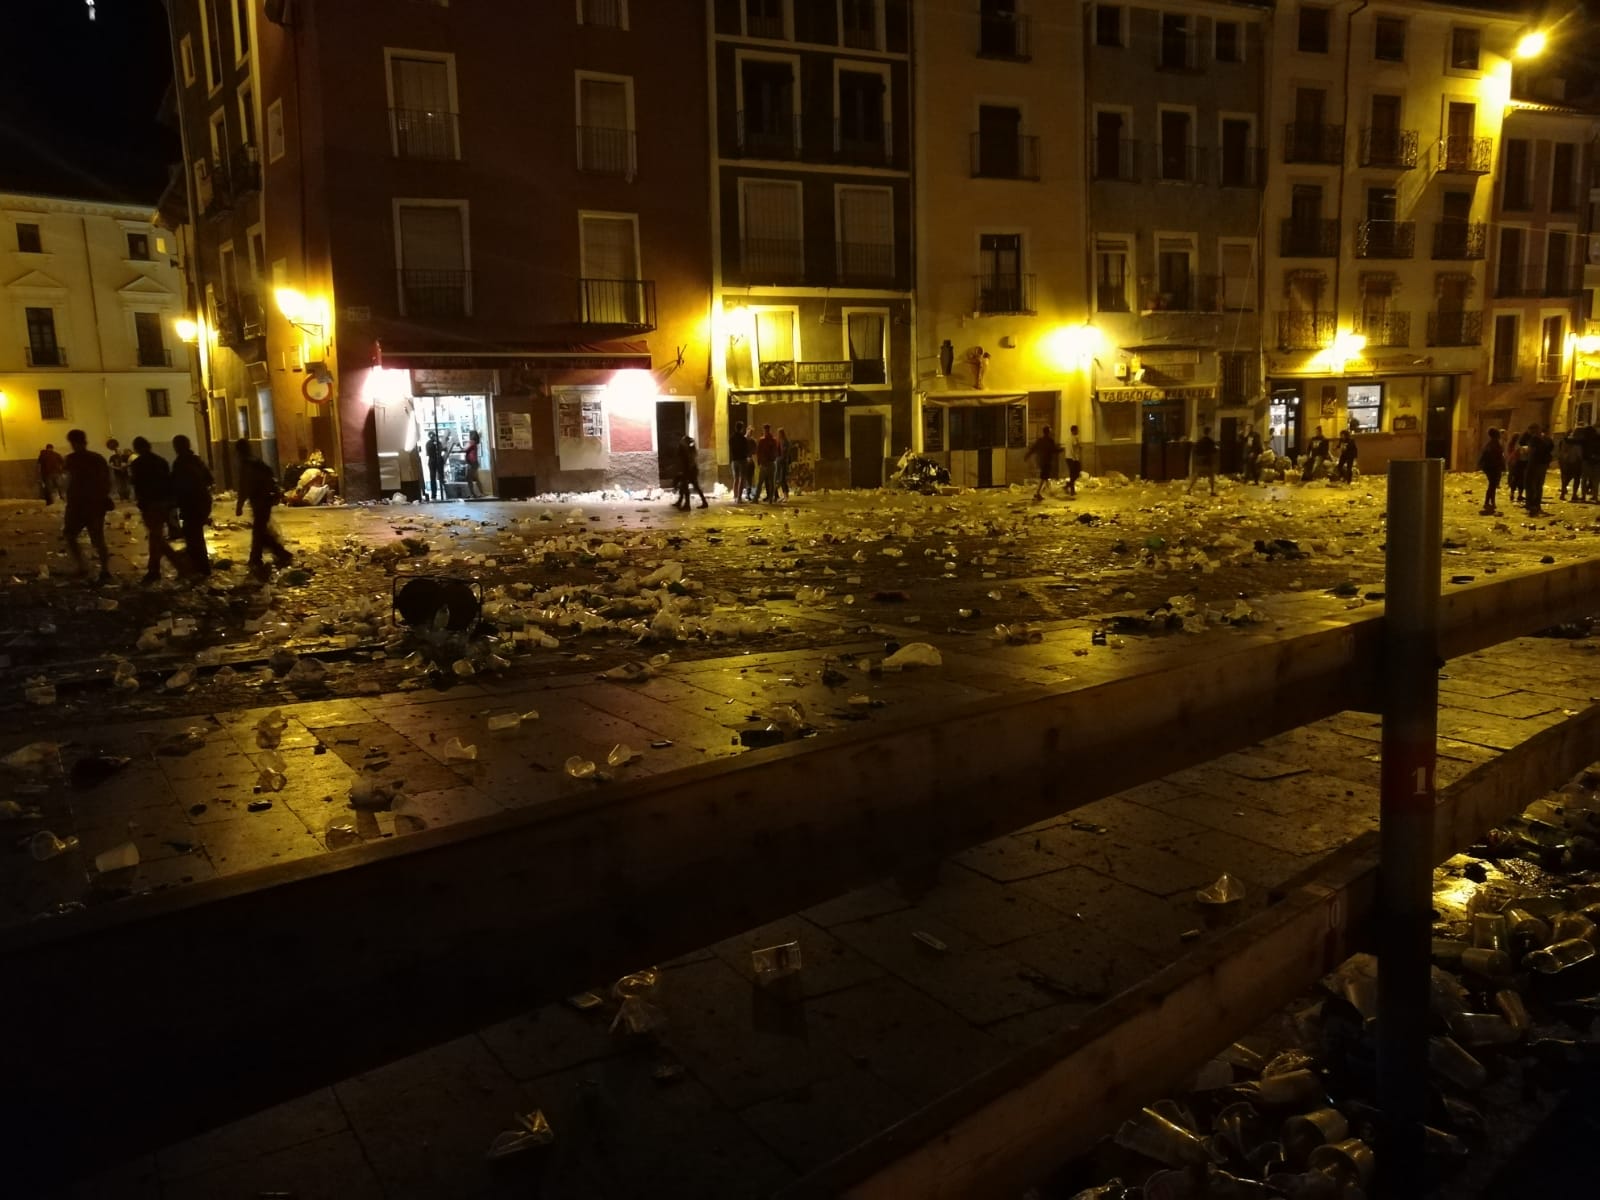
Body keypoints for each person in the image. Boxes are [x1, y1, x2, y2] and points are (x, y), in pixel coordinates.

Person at [128, 436, 188, 584]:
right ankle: (153, 570)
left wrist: (141, 502)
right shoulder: (161, 461)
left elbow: (139, 485)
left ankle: (180, 566)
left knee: (156, 537)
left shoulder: (138, 464)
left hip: (150, 504)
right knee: (155, 537)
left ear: (136, 448)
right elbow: (168, 482)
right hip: (164, 503)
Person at [234, 438, 293, 578]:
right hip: (264, 500)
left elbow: (245, 486)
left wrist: (240, 505)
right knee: (259, 530)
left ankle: (276, 554)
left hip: (260, 501)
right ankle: (258, 557)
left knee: (259, 531)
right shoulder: (256, 462)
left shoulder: (247, 465)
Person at [61, 429, 112, 582]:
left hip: (78, 505)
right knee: (97, 538)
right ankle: (104, 570)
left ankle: (83, 566)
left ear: (73, 442)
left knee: (71, 535)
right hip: (95, 505)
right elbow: (107, 481)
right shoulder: (97, 458)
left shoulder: (71, 459)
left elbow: (68, 481)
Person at [170, 434, 214, 575]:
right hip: (202, 502)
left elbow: (177, 486)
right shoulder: (197, 461)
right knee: (195, 535)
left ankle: (200, 568)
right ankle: (200, 566)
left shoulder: (180, 463)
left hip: (191, 504)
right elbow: (209, 479)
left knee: (192, 536)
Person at [1522, 422, 1555, 516]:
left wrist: (1526, 452)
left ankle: (1531, 505)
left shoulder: (1534, 439)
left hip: (1534, 464)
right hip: (1543, 465)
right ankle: (1536, 505)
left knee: (1530, 484)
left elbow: (1530, 451)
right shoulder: (1546, 439)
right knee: (1538, 485)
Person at [1025, 424, 1059, 502]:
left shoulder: (1040, 440)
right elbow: (1054, 450)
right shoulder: (1050, 441)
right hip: (1047, 461)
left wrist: (1027, 455)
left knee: (1045, 477)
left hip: (1041, 461)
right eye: (1050, 430)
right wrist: (1061, 450)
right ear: (1048, 432)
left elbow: (1033, 448)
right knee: (1044, 477)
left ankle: (1043, 492)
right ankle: (1042, 492)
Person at [675, 434, 708, 509]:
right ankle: (703, 502)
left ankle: (687, 504)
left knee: (686, 486)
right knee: (687, 486)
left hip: (689, 470)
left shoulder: (686, 450)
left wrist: (686, 470)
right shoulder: (690, 449)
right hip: (691, 469)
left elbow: (688, 461)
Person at [1477, 427, 1505, 515]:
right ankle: (1488, 502)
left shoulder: (1491, 444)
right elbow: (1497, 456)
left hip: (1491, 467)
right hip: (1493, 467)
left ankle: (1491, 502)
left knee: (1493, 485)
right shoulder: (1493, 444)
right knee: (1493, 485)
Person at [1187, 425, 1219, 495]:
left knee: (1196, 475)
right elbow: (1214, 451)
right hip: (1208, 461)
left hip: (1200, 461)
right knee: (1211, 477)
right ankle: (1212, 491)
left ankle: (1189, 489)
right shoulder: (1211, 442)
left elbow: (1195, 450)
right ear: (1209, 432)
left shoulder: (1199, 441)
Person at [755, 422, 780, 502]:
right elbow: (776, 451)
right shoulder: (772, 440)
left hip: (766, 463)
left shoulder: (764, 440)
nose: (766, 431)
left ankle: (757, 498)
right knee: (770, 482)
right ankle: (770, 499)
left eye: (766, 429)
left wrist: (759, 461)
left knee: (762, 482)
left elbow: (759, 452)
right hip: (769, 463)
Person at [730, 421, 749, 502]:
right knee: (742, 479)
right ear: (741, 428)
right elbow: (746, 449)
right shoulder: (743, 439)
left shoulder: (731, 438)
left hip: (734, 460)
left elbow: (731, 448)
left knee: (736, 479)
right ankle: (739, 498)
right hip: (742, 460)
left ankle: (735, 496)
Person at [425, 431, 447, 501]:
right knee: (440, 476)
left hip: (432, 461)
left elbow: (428, 453)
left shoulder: (428, 443)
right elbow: (441, 449)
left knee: (433, 478)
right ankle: (445, 493)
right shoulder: (438, 443)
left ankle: (434, 495)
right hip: (437, 460)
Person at [1506, 432, 1526, 505]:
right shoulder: (1518, 446)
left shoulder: (1511, 444)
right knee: (1520, 480)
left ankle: (1512, 494)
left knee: (1515, 479)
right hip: (1518, 463)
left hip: (1513, 464)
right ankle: (1519, 495)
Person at [463, 430, 484, 498]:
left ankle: (473, 494)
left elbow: (465, 449)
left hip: (472, 462)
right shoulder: (474, 442)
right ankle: (476, 493)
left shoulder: (471, 442)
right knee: (472, 478)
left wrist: (460, 446)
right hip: (474, 462)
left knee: (469, 478)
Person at [1064, 425, 1083, 496]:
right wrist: (1079, 444)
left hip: (1070, 458)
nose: (1078, 431)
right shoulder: (1074, 438)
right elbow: (1076, 445)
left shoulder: (1069, 438)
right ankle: (1072, 490)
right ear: (1073, 431)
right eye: (1077, 430)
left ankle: (1068, 485)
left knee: (1076, 473)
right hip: (1072, 458)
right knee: (1074, 474)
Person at [776, 428, 792, 499]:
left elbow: (785, 453)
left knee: (782, 479)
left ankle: (786, 495)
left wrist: (781, 458)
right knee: (780, 479)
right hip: (779, 462)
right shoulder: (780, 441)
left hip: (783, 463)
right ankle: (785, 494)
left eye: (780, 433)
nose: (779, 435)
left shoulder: (785, 442)